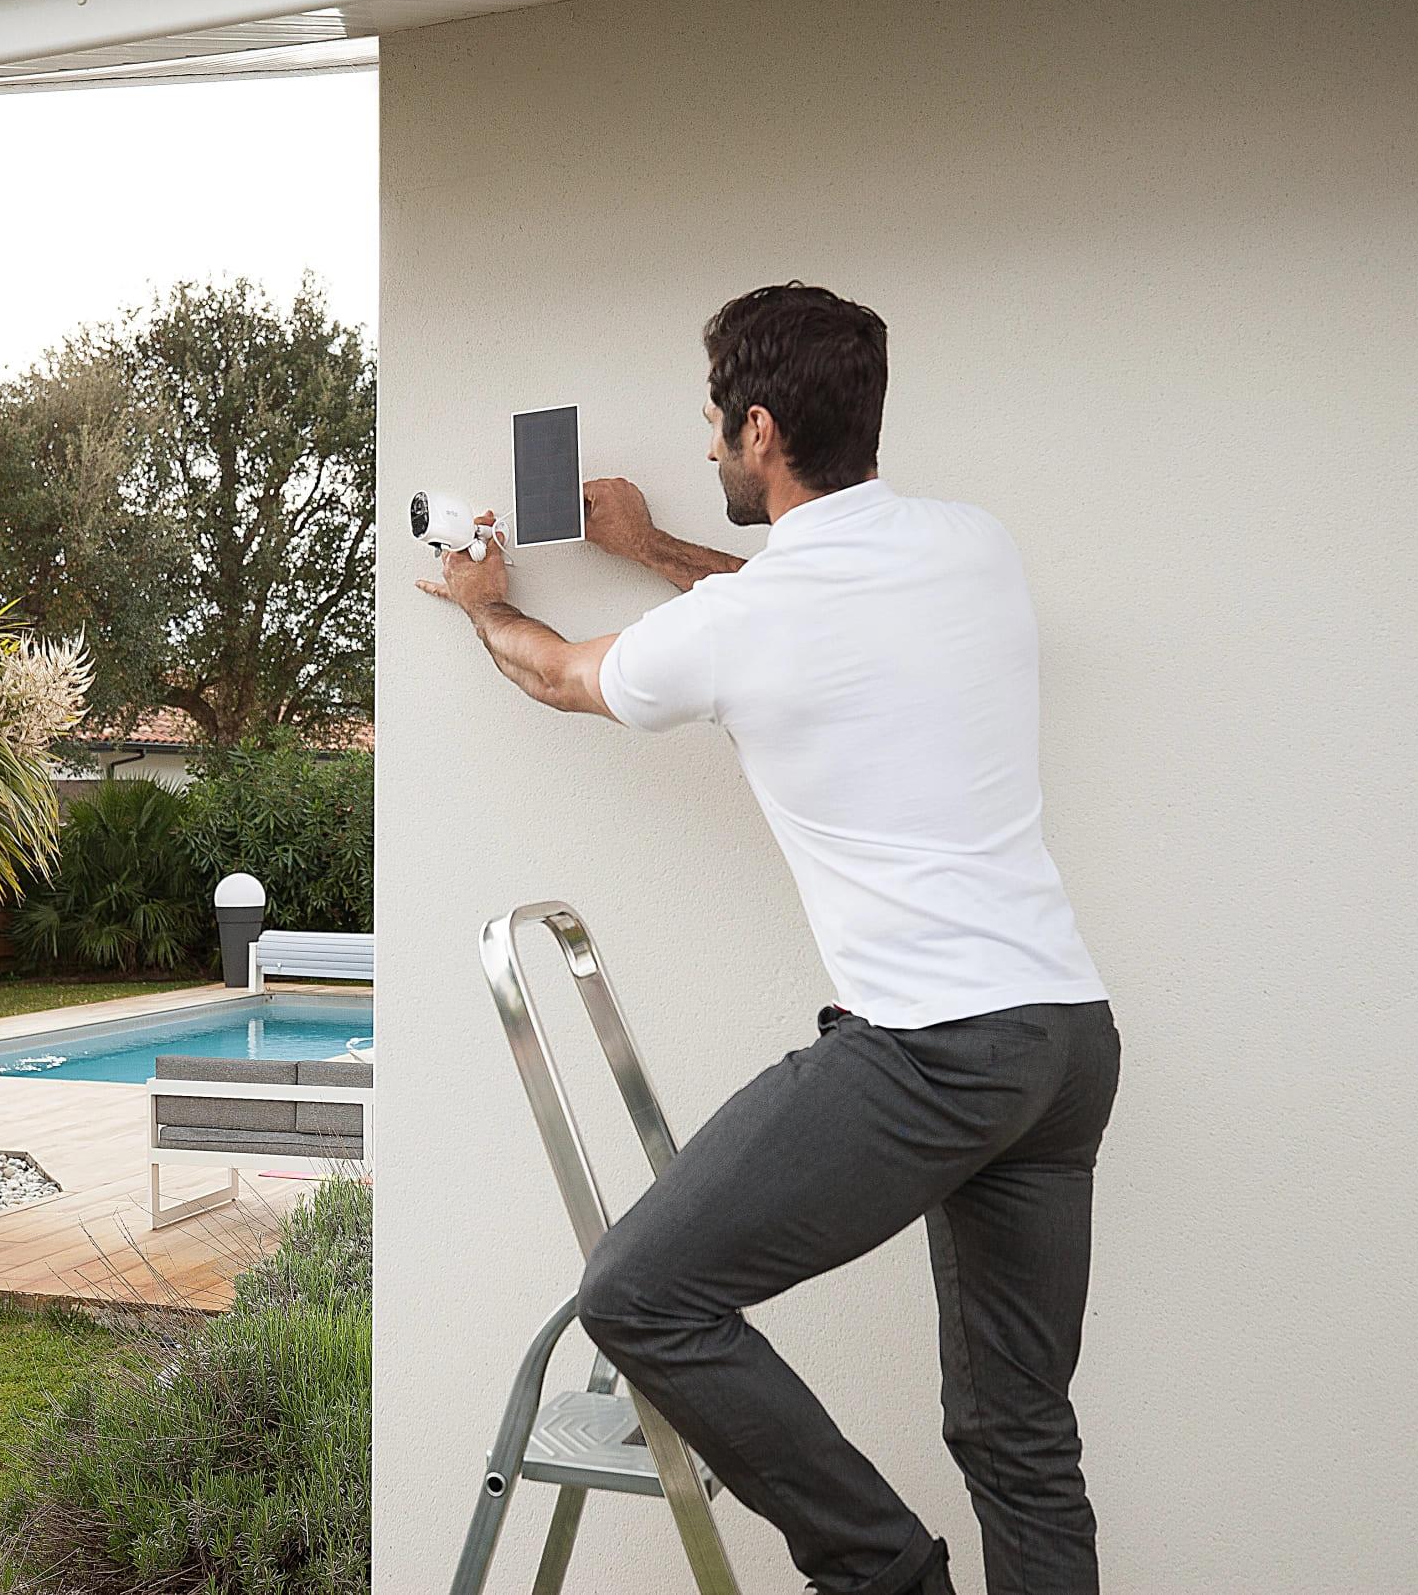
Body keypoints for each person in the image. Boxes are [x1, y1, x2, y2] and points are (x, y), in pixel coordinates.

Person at [415, 283, 1121, 1595]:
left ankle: (880, 1574)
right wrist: (660, 546)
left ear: (757, 427)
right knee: (1020, 1434)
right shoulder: (971, 546)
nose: (703, 449)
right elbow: (804, 598)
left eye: (711, 427)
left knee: (634, 1293)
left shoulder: (752, 619)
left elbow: (560, 671)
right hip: (1066, 1044)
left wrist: (480, 601)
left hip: (934, 1049)